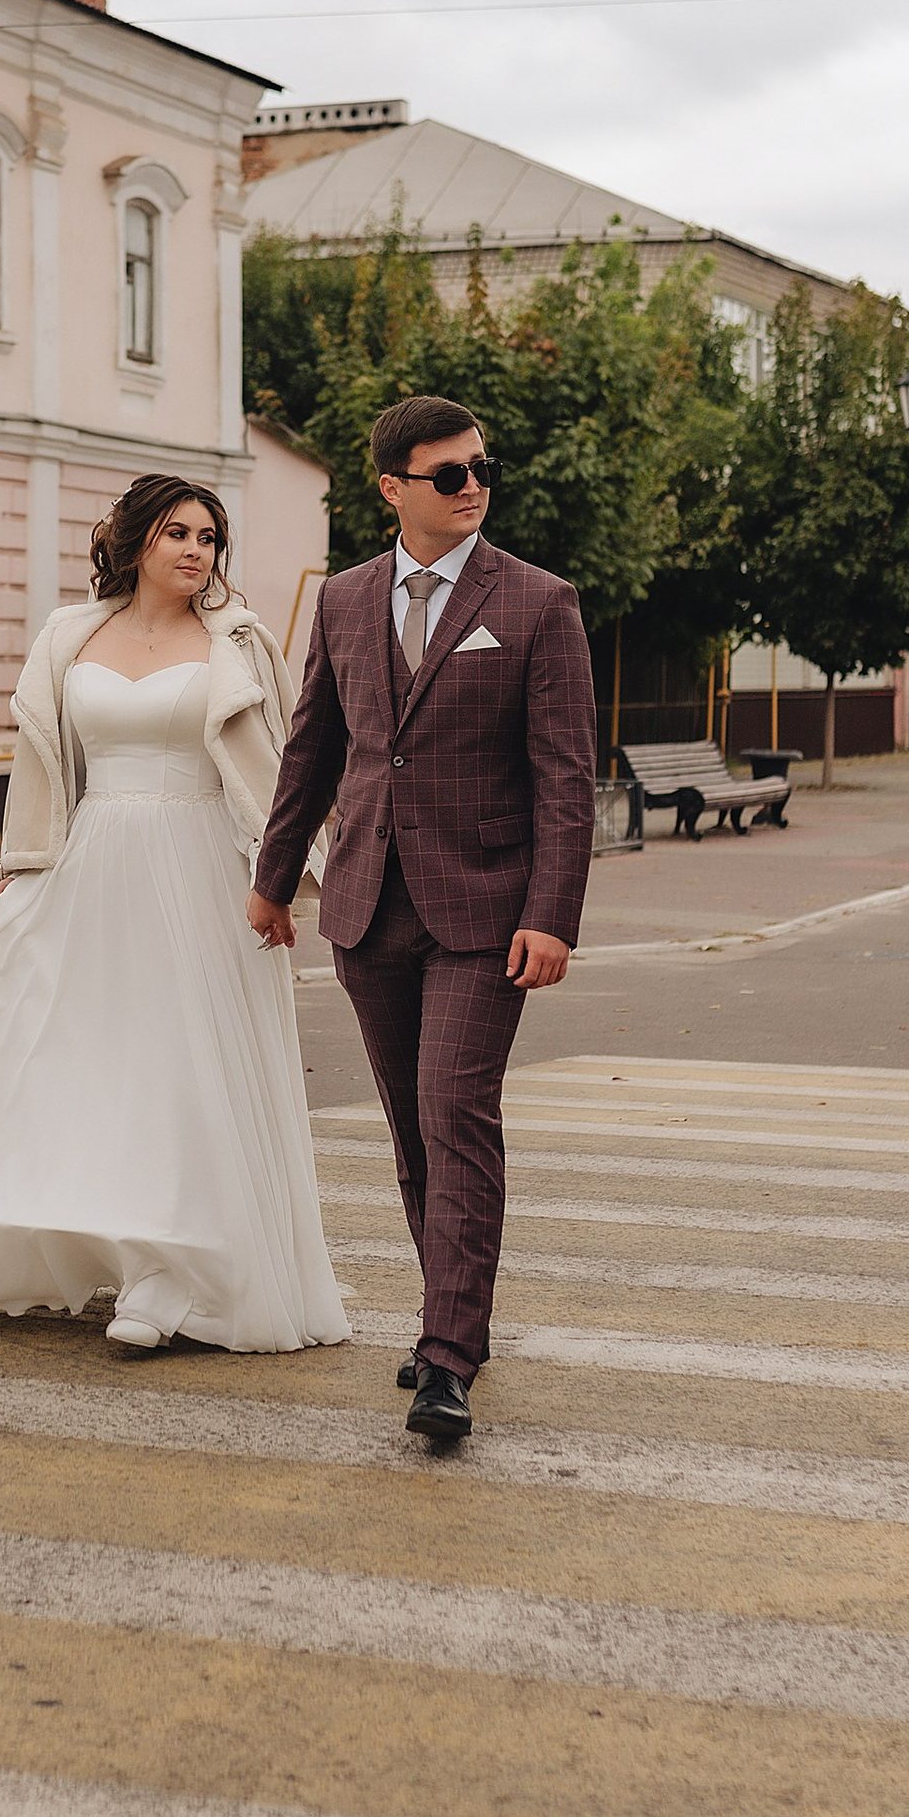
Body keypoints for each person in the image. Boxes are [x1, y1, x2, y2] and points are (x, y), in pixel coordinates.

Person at [0, 474, 348, 1357]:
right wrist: (19, 869)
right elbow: (47, 767)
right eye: (177, 533)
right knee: (67, 1056)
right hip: (88, 866)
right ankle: (63, 1238)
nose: (194, 551)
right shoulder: (69, 636)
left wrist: (279, 880)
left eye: (209, 538)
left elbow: (286, 774)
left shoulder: (238, 643)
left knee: (182, 1073)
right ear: (136, 540)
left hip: (202, 870)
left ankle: (170, 1276)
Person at [248, 395, 598, 1449]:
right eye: (447, 473)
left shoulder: (538, 602)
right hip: (366, 906)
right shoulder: (348, 601)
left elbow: (566, 778)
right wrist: (273, 880)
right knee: (411, 1134)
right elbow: (314, 747)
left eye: (481, 467)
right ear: (393, 487)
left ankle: (449, 1354)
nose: (472, 485)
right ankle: (447, 1311)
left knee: (456, 1116)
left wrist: (551, 913)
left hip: (485, 913)